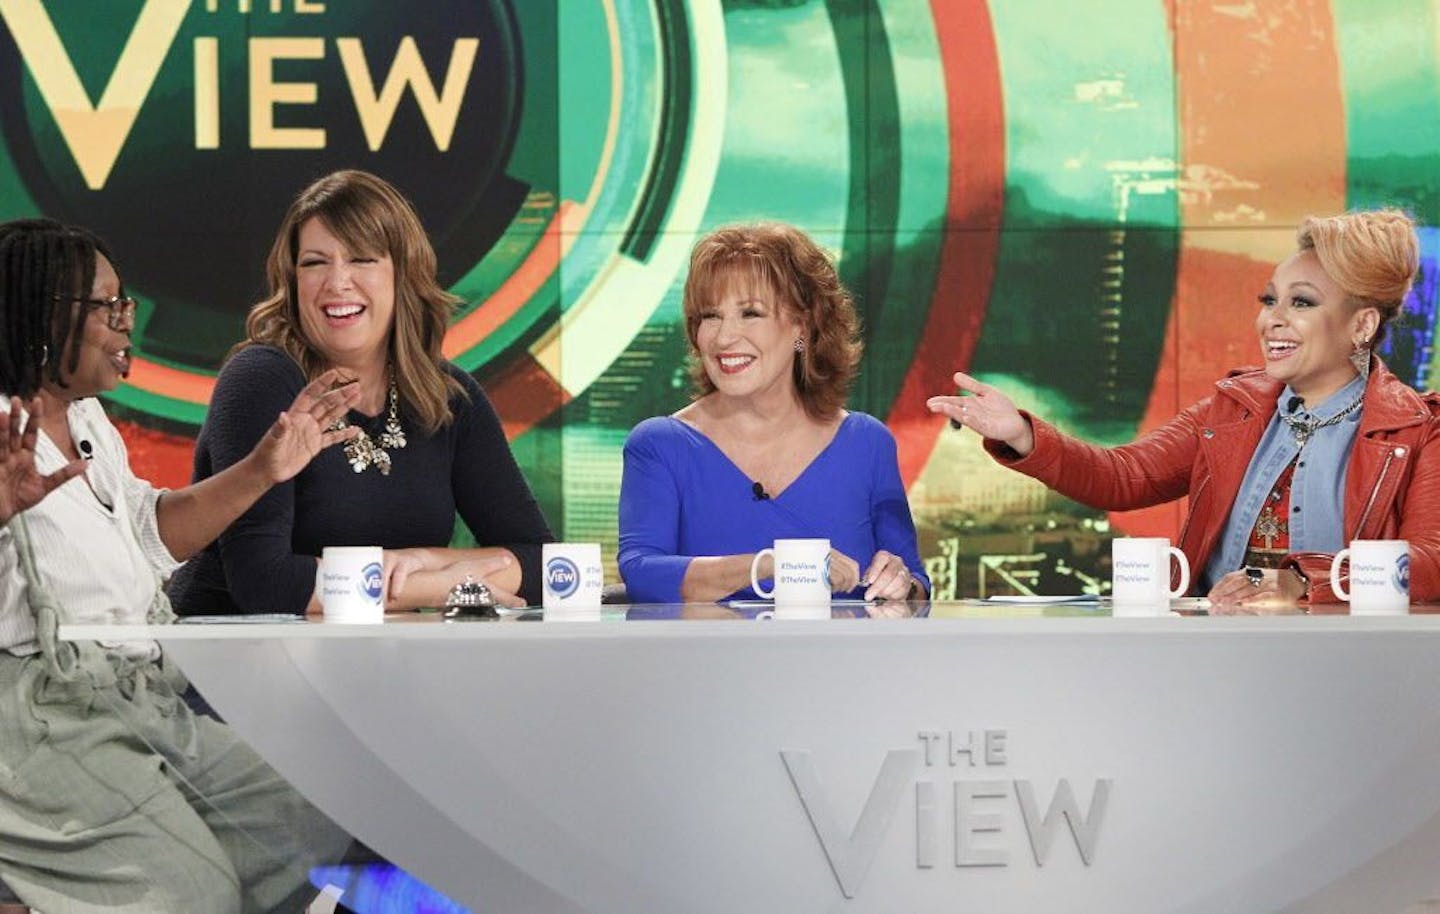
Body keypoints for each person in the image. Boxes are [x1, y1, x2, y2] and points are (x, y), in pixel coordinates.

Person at [0, 218, 358, 911]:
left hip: (129, 695)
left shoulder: (85, 421)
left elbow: (148, 528)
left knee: (305, 816)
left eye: (124, 303)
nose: (124, 322)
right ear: (41, 316)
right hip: (33, 719)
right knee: (189, 893)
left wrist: (263, 468)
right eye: (107, 307)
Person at [927, 209, 1440, 606]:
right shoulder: (1230, 409)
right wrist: (1021, 434)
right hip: (1216, 657)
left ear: (1362, 325)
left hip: (1345, 668)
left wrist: (1304, 582)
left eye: (1300, 303)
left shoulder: (1419, 431)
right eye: (1269, 300)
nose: (1272, 321)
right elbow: (1123, 476)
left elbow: (1431, 561)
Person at [168, 170, 553, 615]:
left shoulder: (447, 396)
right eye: (314, 263)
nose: (337, 282)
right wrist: (438, 588)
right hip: (236, 663)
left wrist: (424, 561)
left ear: (402, 275)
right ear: (292, 280)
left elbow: (543, 566)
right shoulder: (262, 379)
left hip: (381, 661)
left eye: (362, 259)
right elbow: (265, 583)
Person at [619, 223, 929, 603]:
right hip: (708, 662)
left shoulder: (867, 443)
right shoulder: (660, 445)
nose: (723, 337)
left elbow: (916, 584)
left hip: (842, 661)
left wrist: (901, 582)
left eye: (750, 313)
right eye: (709, 316)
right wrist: (768, 564)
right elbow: (641, 573)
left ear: (804, 325)